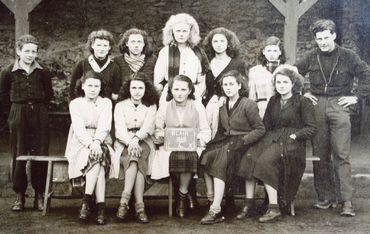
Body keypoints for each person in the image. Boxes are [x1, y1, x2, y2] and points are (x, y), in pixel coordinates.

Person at [295, 19, 370, 217]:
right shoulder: (310, 56)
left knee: (341, 154)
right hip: (316, 104)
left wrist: (357, 96)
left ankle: (346, 201)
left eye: (326, 38)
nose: (323, 42)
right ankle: (324, 197)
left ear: (334, 36)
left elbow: (366, 74)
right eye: (319, 39)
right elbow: (293, 73)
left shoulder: (348, 56)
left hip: (339, 104)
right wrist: (302, 92)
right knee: (320, 154)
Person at [244, 67, 316, 223]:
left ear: (293, 84)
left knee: (265, 162)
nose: (281, 85)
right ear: (274, 84)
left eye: (285, 82)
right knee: (250, 156)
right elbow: (266, 125)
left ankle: (274, 207)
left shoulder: (303, 101)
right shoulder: (273, 100)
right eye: (278, 82)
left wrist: (296, 135)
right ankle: (249, 204)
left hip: (292, 143)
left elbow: (311, 128)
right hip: (273, 138)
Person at [200, 70, 265, 225]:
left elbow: (260, 129)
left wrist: (244, 140)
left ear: (239, 85)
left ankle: (215, 210)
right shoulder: (222, 104)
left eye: (231, 84)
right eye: (225, 85)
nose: (228, 88)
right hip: (228, 140)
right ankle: (212, 199)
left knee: (221, 160)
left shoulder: (248, 104)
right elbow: (223, 129)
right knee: (206, 156)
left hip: (245, 143)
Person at [0, 34, 54, 212]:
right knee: (19, 153)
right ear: (18, 51)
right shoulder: (8, 72)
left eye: (34, 51)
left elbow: (49, 94)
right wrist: (15, 113)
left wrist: (39, 109)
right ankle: (19, 195)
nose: (30, 55)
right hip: (18, 113)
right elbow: (3, 97)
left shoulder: (43, 72)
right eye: (27, 51)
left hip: (39, 113)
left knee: (40, 154)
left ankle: (39, 194)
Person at [151, 75, 211, 218]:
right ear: (170, 90)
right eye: (176, 89)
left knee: (188, 156)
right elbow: (158, 128)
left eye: (183, 89)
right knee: (175, 156)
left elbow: (205, 129)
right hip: (170, 147)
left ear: (190, 90)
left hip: (192, 146)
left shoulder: (197, 105)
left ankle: (182, 196)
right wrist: (162, 136)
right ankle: (186, 194)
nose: (179, 93)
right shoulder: (165, 106)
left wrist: (199, 139)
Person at [65, 71, 115, 225]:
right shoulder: (75, 103)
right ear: (83, 86)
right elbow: (79, 129)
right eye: (90, 85)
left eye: (96, 86)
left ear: (101, 88)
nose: (93, 89)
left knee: (98, 156)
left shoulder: (106, 102)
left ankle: (86, 202)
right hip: (80, 142)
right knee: (98, 161)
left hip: (102, 140)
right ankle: (100, 207)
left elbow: (105, 125)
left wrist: (97, 142)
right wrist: (91, 144)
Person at [113, 74, 159, 223]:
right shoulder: (120, 105)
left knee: (137, 156)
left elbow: (149, 126)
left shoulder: (151, 105)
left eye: (141, 88)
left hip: (144, 140)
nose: (137, 91)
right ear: (128, 89)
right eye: (134, 87)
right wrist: (130, 141)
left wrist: (136, 139)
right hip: (124, 141)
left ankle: (124, 202)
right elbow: (119, 129)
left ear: (146, 89)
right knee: (134, 158)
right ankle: (140, 207)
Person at [154, 13, 208, 105]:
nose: (181, 34)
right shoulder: (165, 52)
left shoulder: (197, 52)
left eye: (184, 31)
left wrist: (198, 93)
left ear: (190, 32)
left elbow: (202, 77)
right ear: (172, 32)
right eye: (178, 31)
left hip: (193, 94)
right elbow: (157, 81)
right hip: (170, 94)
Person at [202, 27, 247, 138]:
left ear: (228, 43)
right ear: (211, 44)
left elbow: (244, 89)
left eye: (222, 41)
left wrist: (226, 97)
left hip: (229, 108)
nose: (219, 44)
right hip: (207, 106)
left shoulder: (237, 64)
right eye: (215, 41)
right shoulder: (206, 63)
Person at [69, 29, 121, 101]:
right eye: (98, 45)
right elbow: (72, 90)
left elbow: (115, 94)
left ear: (109, 47)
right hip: (85, 107)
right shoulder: (82, 64)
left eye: (105, 45)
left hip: (106, 108)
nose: (101, 49)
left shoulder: (114, 67)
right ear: (92, 45)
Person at [248, 36, 287, 118]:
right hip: (262, 110)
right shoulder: (255, 71)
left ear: (280, 52)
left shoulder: (288, 69)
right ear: (263, 52)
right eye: (269, 51)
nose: (272, 54)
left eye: (275, 51)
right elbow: (252, 97)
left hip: (283, 109)